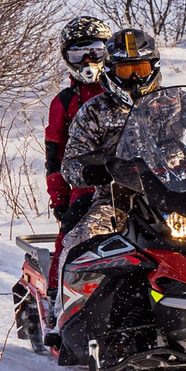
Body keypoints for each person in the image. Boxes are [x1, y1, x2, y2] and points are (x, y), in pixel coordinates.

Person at [56, 27, 167, 261]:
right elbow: (70, 163)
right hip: (116, 199)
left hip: (172, 195)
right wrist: (93, 170)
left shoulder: (173, 102)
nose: (135, 78)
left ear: (153, 68)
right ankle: (69, 296)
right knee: (82, 241)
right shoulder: (94, 110)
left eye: (141, 69)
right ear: (111, 72)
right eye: (126, 71)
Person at [43, 16, 113, 300]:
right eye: (78, 53)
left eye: (95, 51)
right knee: (71, 234)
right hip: (86, 184)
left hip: (137, 179)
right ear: (67, 57)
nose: (87, 60)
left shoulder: (129, 89)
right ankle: (56, 298)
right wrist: (59, 200)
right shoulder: (63, 102)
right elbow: (54, 157)